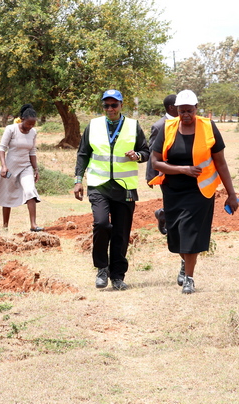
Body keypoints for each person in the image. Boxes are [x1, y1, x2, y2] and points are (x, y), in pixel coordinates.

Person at [150, 89, 239, 294]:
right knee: (177, 235)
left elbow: (221, 163)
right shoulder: (168, 127)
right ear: (176, 110)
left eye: (190, 110)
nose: (186, 115)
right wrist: (183, 170)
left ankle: (189, 278)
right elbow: (155, 162)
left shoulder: (208, 127)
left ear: (197, 109)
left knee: (190, 232)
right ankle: (184, 262)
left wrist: (231, 194)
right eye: (182, 111)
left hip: (200, 191)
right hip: (172, 190)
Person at [73, 89, 150, 291]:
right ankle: (101, 268)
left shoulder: (133, 126)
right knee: (101, 224)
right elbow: (83, 153)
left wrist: (137, 156)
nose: (110, 109)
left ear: (121, 105)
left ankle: (117, 276)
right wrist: (78, 179)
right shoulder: (94, 125)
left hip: (124, 187)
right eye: (106, 105)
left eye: (114, 105)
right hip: (99, 184)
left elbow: (146, 152)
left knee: (121, 233)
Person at [0, 104, 42, 231]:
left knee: (30, 191)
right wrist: (4, 167)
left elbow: (32, 152)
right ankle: (5, 226)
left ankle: (33, 225)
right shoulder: (11, 129)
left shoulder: (33, 132)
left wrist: (36, 169)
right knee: (6, 195)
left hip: (26, 167)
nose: (30, 127)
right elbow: (2, 148)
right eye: (28, 124)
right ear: (22, 119)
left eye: (33, 125)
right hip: (10, 167)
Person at [147, 94, 178, 235]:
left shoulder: (187, 122)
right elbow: (152, 153)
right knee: (174, 203)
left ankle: (163, 214)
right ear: (172, 107)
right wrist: (150, 176)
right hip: (165, 173)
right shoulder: (160, 126)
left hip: (185, 171)